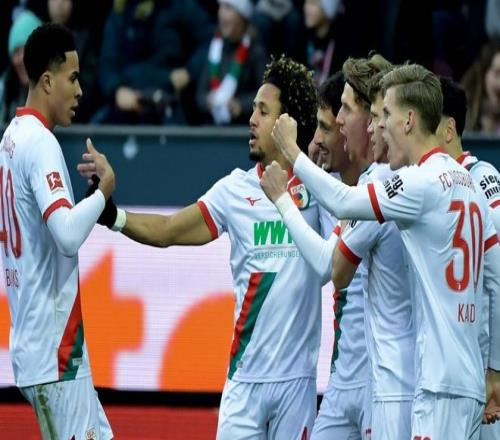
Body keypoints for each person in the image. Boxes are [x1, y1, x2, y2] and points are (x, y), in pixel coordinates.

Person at [81, 56, 321, 439]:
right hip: (244, 382)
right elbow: (168, 230)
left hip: (297, 383)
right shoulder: (235, 190)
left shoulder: (320, 189)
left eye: (263, 111)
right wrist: (112, 215)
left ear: (287, 123)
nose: (251, 120)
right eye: (253, 109)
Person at [262, 63, 500, 438]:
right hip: (466, 379)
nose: (380, 127)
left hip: (430, 383)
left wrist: (291, 154)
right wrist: (494, 368)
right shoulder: (468, 183)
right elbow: (495, 280)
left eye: (384, 114)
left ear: (409, 120)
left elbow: (342, 206)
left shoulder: (416, 182)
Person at [0, 23, 115, 439]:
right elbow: (66, 235)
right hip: (55, 353)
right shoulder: (41, 143)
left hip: (36, 345)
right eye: (73, 78)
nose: (80, 90)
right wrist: (103, 192)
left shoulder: (11, 136)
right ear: (48, 81)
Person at [437, 76, 500, 440]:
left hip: (483, 372)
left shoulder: (482, 176)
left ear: (448, 129)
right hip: (449, 373)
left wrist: (495, 368)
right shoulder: (428, 184)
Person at [195, 0, 267, 125]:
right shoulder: (215, 48)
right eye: (221, 7)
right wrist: (208, 101)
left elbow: (265, 95)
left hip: (243, 128)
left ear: (242, 17)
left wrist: (241, 105)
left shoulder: (255, 51)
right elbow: (200, 94)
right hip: (212, 127)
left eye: (228, 8)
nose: (221, 14)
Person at [0, 9, 42, 124]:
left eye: (27, 50)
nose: (22, 59)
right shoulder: (4, 92)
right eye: (16, 52)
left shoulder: (59, 92)